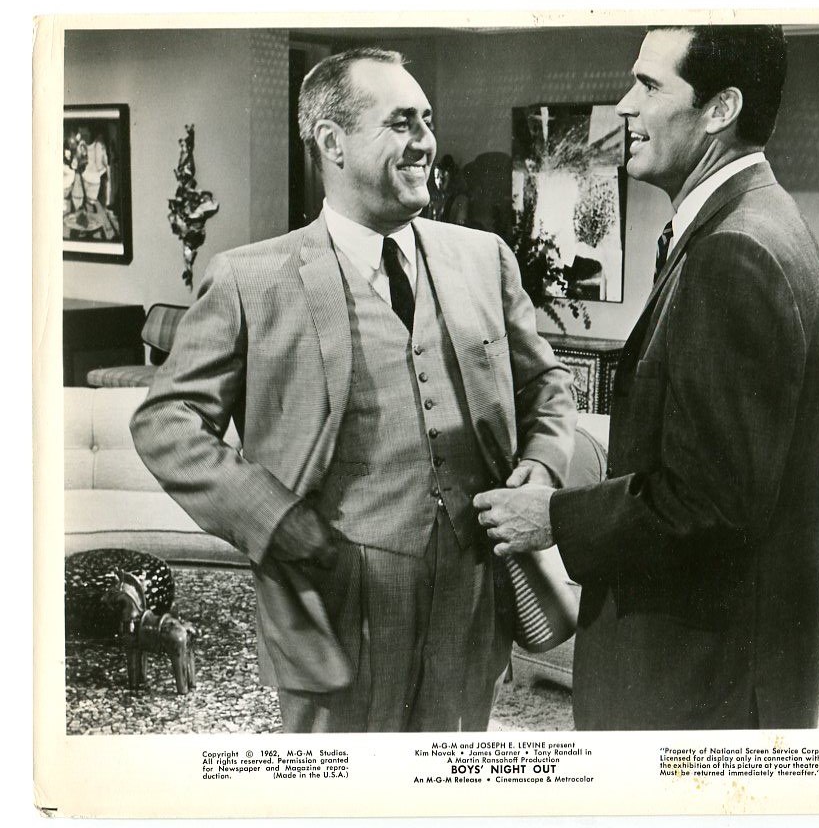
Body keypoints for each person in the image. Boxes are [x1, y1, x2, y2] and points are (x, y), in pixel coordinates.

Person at [130, 47, 576, 733]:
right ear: (332, 142)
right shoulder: (250, 279)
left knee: (450, 773)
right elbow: (166, 422)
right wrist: (272, 518)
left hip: (472, 594)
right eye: (400, 122)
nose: (424, 141)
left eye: (426, 120)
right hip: (332, 598)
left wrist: (540, 468)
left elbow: (545, 383)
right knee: (338, 780)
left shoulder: (483, 258)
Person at [474, 25, 819, 730]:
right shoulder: (765, 223)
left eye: (648, 84)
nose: (624, 105)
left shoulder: (734, 253)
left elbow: (708, 504)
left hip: (696, 685)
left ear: (720, 108)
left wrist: (553, 517)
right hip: (725, 671)